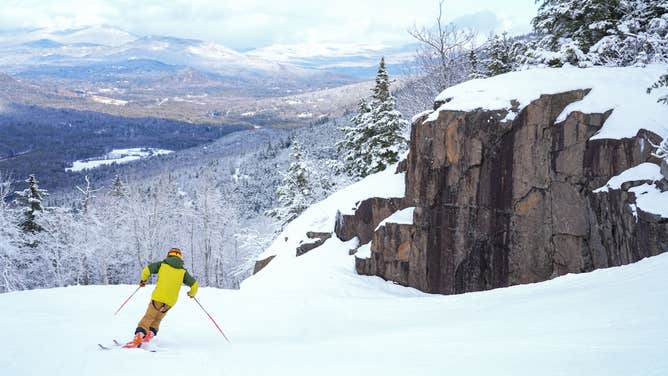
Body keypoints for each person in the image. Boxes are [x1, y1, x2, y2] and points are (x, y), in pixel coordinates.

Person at [124, 247, 199, 348]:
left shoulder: (162, 264)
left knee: (149, 317)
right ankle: (150, 334)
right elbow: (194, 284)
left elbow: (147, 270)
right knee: (158, 318)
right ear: (180, 257)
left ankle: (139, 336)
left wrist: (143, 280)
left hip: (158, 297)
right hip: (170, 301)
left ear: (169, 255)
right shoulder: (183, 271)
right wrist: (191, 294)